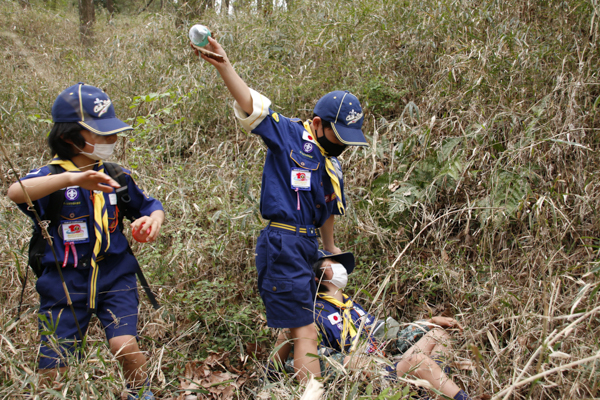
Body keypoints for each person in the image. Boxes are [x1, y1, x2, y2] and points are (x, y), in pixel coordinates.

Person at [193, 37, 368, 381]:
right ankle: (309, 390)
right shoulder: (289, 135)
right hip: (282, 242)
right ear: (318, 123)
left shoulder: (332, 164)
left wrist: (330, 251)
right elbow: (251, 104)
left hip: (307, 247)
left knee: (294, 320)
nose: (342, 145)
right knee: (307, 331)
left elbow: (328, 211)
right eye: (338, 135)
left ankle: (269, 378)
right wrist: (225, 65)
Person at [7, 83, 164, 400]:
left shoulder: (117, 176)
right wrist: (74, 178)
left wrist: (152, 221)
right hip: (63, 282)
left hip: (115, 274)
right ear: (68, 137)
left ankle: (140, 393)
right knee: (54, 366)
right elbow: (15, 192)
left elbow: (149, 206)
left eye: (113, 133)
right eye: (101, 135)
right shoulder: (50, 179)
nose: (112, 141)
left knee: (124, 345)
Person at [275, 250, 472, 400]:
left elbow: (388, 336)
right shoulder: (313, 312)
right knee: (420, 361)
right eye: (333, 262)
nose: (339, 267)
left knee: (439, 335)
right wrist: (353, 363)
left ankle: (432, 389)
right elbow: (309, 358)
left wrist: (427, 323)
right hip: (368, 377)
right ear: (316, 277)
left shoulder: (352, 306)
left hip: (387, 362)